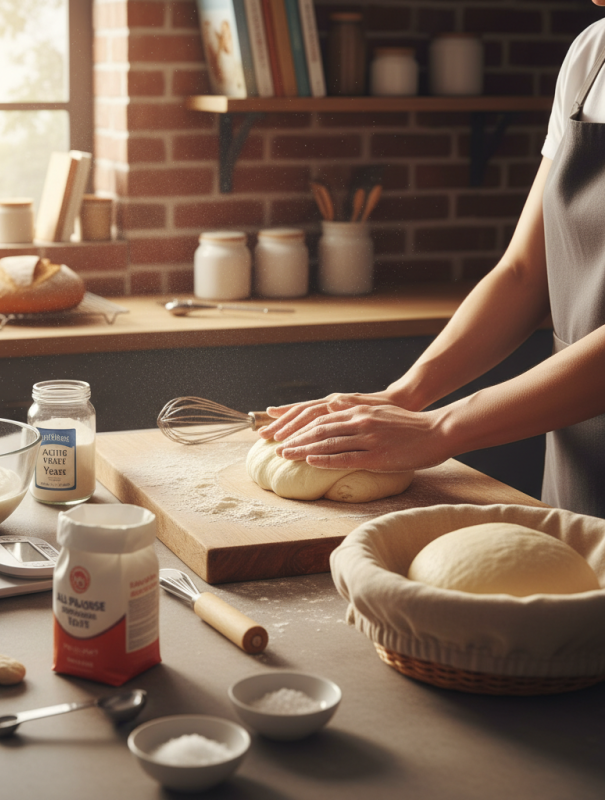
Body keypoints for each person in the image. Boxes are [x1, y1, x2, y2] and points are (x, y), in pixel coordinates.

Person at [259, 6, 605, 519]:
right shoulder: (592, 55)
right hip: (581, 459)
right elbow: (526, 273)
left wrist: (440, 429)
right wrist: (404, 395)